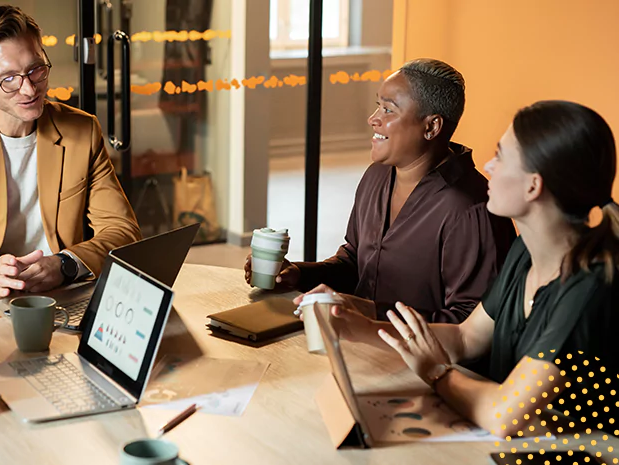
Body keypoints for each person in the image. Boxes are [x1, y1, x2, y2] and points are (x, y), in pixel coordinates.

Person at [323, 100, 619, 437]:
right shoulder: (526, 251)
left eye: (501, 156)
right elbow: (466, 338)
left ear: (533, 185)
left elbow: (503, 414)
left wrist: (437, 375)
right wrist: (355, 327)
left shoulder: (589, 289)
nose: (489, 166)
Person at [245, 58, 516, 323]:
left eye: (388, 110)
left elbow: (470, 323)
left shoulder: (470, 209)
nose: (373, 119)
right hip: (360, 343)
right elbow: (355, 262)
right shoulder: (377, 175)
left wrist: (368, 311)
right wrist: (299, 275)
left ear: (431, 126)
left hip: (422, 364)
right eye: (378, 106)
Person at [0, 5, 141, 301]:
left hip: (60, 295)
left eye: (36, 70)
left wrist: (66, 264)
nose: (29, 90)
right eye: (9, 79)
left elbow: (123, 231)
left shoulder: (83, 131)